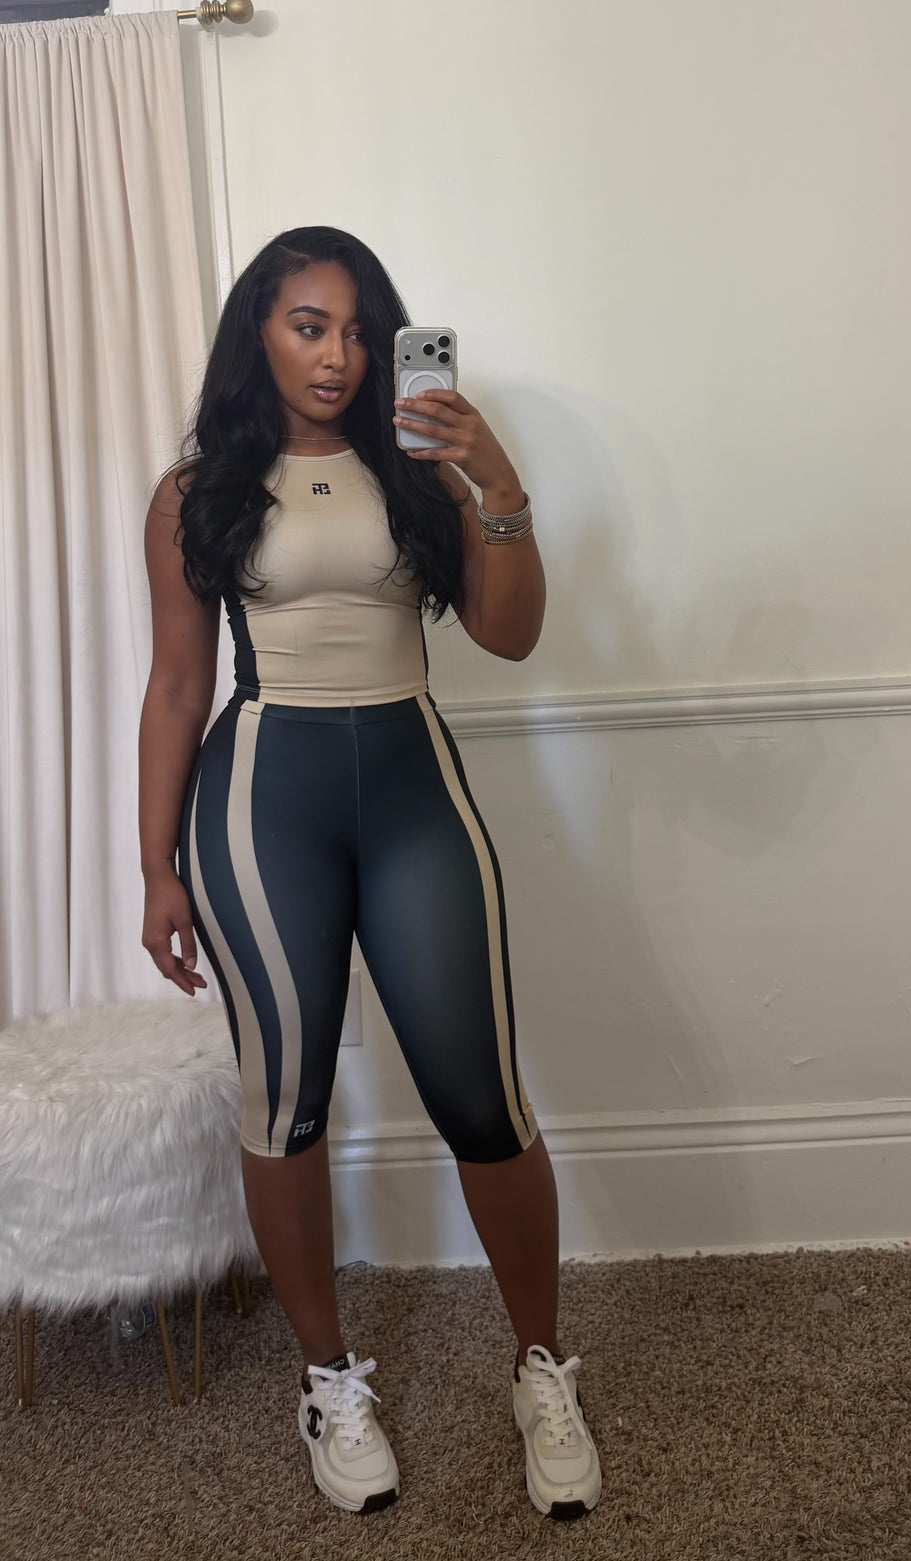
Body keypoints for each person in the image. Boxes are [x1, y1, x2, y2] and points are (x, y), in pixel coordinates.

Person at [138, 227, 602, 1519]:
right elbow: (175, 686)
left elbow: (510, 635)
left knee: (481, 1095)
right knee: (284, 1098)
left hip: (413, 795)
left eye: (356, 329)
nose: (336, 354)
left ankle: (540, 1369)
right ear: (260, 333)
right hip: (259, 805)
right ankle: (328, 1380)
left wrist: (494, 480)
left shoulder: (419, 473)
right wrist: (154, 868)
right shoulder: (197, 491)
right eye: (308, 325)